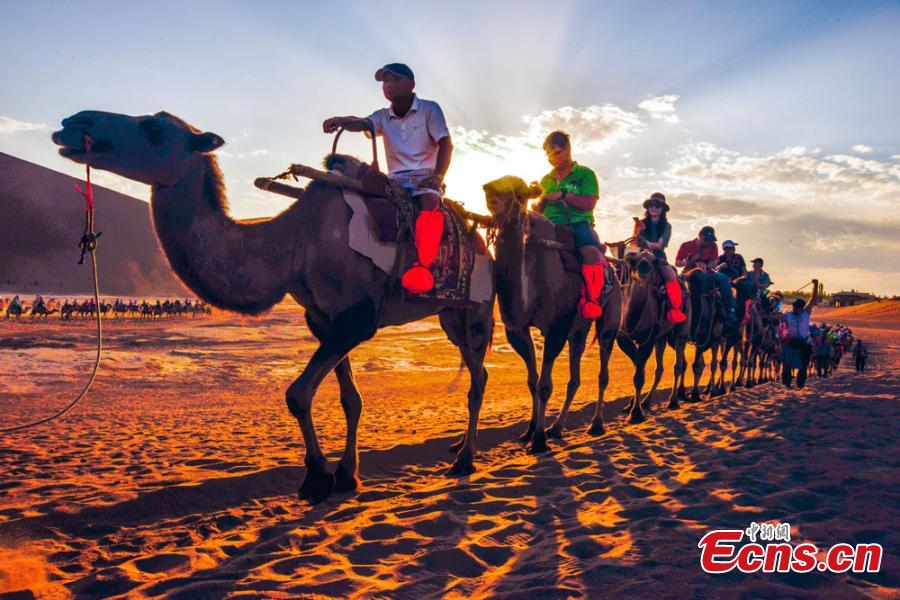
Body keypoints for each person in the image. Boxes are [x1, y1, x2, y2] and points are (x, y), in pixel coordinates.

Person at [322, 63, 452, 294]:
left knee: (429, 207)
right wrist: (342, 120)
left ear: (411, 84)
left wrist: (437, 176)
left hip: (424, 178)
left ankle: (423, 268)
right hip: (393, 180)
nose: (388, 85)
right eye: (385, 81)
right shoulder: (383, 116)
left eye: (394, 80)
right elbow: (363, 122)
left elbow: (445, 143)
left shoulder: (430, 110)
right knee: (358, 201)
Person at [534, 131, 608, 319]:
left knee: (591, 253)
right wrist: (537, 200)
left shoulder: (585, 174)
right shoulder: (546, 180)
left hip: (577, 225)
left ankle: (591, 300)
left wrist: (564, 195)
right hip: (549, 227)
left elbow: (589, 203)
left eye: (557, 153)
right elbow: (538, 210)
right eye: (549, 156)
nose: (553, 160)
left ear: (568, 149)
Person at [632, 192, 686, 323]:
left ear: (662, 209)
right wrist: (638, 233)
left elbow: (660, 245)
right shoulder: (641, 223)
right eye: (651, 205)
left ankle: (675, 309)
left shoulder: (667, 226)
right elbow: (634, 242)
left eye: (657, 206)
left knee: (669, 276)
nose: (653, 208)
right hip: (641, 254)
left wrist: (647, 243)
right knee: (621, 270)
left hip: (657, 257)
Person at [675, 226, 737, 323]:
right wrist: (690, 263)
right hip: (689, 272)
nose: (709, 242)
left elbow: (715, 261)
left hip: (708, 272)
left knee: (723, 278)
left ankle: (730, 310)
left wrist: (706, 265)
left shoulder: (713, 246)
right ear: (700, 236)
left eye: (710, 240)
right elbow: (677, 262)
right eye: (706, 240)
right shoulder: (686, 245)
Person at [781, 280, 820, 388]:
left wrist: (816, 286)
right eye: (794, 306)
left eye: (797, 307)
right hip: (790, 342)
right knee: (786, 364)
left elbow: (813, 299)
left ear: (801, 308)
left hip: (804, 342)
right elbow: (775, 317)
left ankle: (800, 384)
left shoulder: (806, 313)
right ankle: (786, 383)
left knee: (804, 365)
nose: (795, 308)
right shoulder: (787, 315)